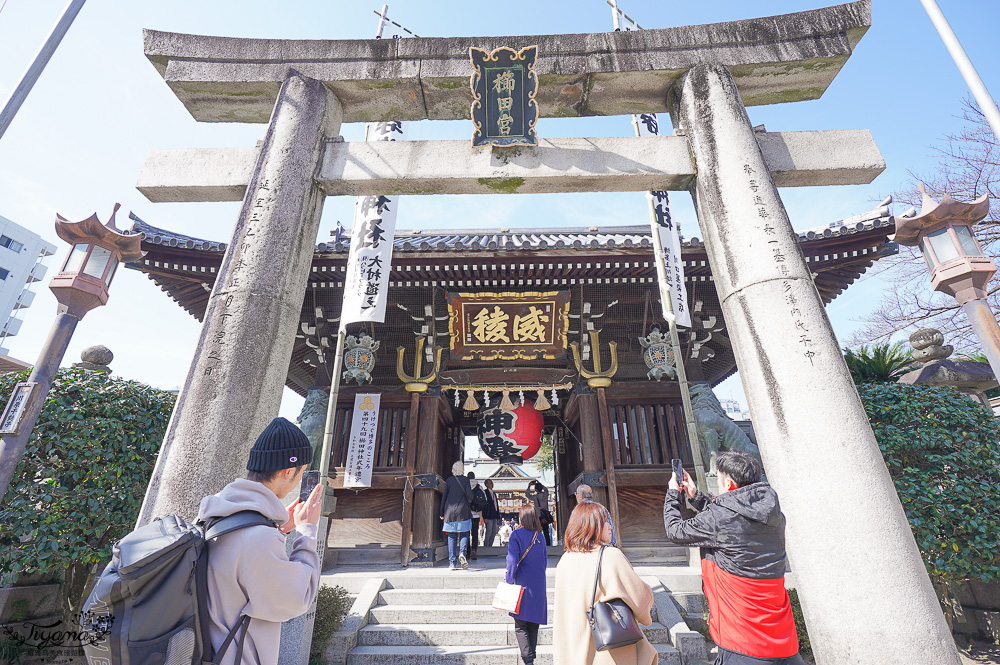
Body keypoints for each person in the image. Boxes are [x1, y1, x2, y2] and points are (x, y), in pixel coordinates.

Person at [195, 417, 323, 665]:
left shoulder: (214, 515)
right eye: (301, 473)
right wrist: (307, 531)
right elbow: (296, 599)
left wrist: (278, 528)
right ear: (288, 472)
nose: (298, 481)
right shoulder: (258, 537)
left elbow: (240, 566)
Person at [663, 450, 803, 665]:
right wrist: (696, 496)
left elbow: (675, 530)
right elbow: (733, 517)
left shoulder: (720, 518)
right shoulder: (774, 514)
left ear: (728, 483)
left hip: (742, 638)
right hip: (783, 637)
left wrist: (674, 493)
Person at [554, 501, 656, 665]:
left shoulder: (565, 560)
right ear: (591, 527)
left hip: (573, 650)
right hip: (608, 653)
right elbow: (641, 601)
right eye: (605, 522)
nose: (610, 526)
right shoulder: (610, 556)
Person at [506, 505, 548, 665]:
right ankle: (531, 656)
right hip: (538, 583)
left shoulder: (516, 535)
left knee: (520, 625)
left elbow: (512, 560)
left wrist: (509, 579)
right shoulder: (540, 536)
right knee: (533, 624)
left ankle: (528, 659)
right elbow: (544, 561)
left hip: (522, 584)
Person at [440, 460, 473, 570]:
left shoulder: (449, 481)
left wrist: (441, 513)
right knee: (464, 534)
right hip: (463, 511)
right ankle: (462, 553)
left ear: (453, 470)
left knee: (452, 537)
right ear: (462, 470)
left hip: (450, 512)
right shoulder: (465, 480)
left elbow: (444, 497)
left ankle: (452, 562)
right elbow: (470, 495)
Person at [526, 481, 552, 546]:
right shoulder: (545, 495)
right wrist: (540, 483)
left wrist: (529, 486)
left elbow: (527, 494)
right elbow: (546, 489)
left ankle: (539, 544)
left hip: (538, 516)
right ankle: (548, 544)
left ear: (536, 489)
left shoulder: (535, 497)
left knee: (538, 531)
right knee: (546, 531)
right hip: (545, 515)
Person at [468, 471, 486, 559]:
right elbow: (485, 500)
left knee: (466, 533)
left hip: (466, 514)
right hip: (476, 514)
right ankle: (474, 550)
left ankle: (466, 551)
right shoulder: (479, 487)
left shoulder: (465, 485)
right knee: (474, 533)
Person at [483, 479, 502, 547]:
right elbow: (484, 506)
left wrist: (498, 516)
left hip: (494, 515)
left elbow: (496, 505)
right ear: (486, 485)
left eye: (492, 483)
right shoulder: (485, 493)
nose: (492, 484)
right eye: (490, 483)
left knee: (494, 532)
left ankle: (490, 545)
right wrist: (485, 517)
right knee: (489, 532)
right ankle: (486, 546)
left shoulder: (493, 493)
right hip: (488, 515)